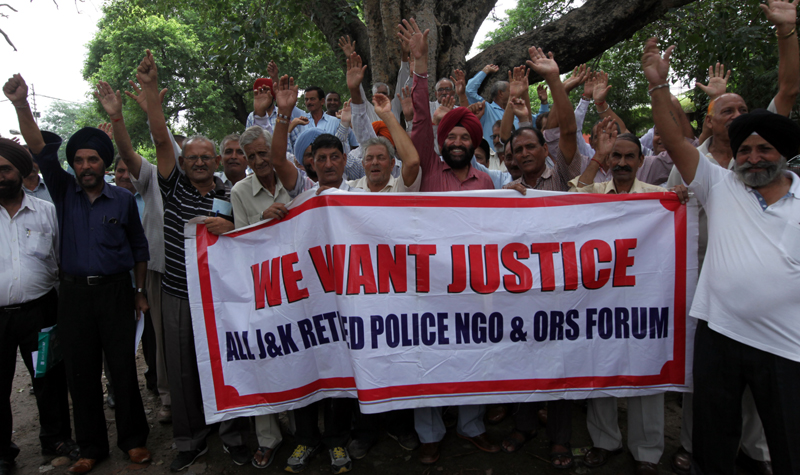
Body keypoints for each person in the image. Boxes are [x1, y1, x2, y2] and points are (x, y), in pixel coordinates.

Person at [644, 32, 800, 475]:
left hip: (788, 348)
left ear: (783, 155)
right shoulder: (720, 185)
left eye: (764, 149)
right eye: (745, 150)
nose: (752, 158)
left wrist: (787, 30)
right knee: (712, 444)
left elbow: (788, 89)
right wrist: (657, 86)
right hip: (721, 338)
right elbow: (675, 142)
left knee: (788, 443)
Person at [5, 73, 151, 475]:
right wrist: (21, 103)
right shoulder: (63, 190)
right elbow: (37, 146)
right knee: (80, 373)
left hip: (117, 294)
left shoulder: (122, 199)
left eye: (93, 159)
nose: (86, 166)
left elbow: (139, 249)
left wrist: (139, 290)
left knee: (122, 370)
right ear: (72, 164)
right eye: (80, 160)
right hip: (72, 298)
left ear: (104, 163)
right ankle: (90, 447)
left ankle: (134, 442)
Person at [135, 50, 250, 471]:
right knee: (182, 371)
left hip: (222, 297)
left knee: (227, 364)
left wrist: (231, 229)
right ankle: (190, 440)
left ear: (217, 162)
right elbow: (162, 139)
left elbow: (250, 239)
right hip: (179, 295)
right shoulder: (173, 188)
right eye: (192, 158)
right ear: (184, 164)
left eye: (206, 157)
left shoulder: (232, 195)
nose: (199, 162)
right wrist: (152, 94)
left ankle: (235, 434)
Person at [397, 18, 498, 464]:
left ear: (475, 144)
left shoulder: (489, 180)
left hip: (474, 288)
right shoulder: (429, 173)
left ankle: (472, 425)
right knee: (428, 355)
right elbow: (420, 121)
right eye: (451, 136)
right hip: (429, 287)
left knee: (473, 353)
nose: (457, 140)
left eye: (465, 136)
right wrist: (419, 65)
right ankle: (430, 433)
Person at [569, 123, 670, 475]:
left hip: (644, 301)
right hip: (600, 300)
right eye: (617, 156)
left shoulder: (659, 197)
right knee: (602, 366)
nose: (623, 162)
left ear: (641, 161)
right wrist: (597, 156)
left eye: (629, 156)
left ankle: (647, 452)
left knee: (647, 368)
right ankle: (604, 442)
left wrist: (679, 201)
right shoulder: (594, 189)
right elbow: (570, 198)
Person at [269, 74, 356, 474]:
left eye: (333, 157)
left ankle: (337, 442)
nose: (326, 163)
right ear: (311, 164)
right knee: (306, 364)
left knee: (339, 367)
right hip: (306, 298)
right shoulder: (302, 190)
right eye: (319, 159)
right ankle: (306, 439)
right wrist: (284, 116)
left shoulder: (360, 194)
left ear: (343, 160)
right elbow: (276, 161)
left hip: (349, 298)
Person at [95, 80, 172, 424]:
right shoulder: (152, 178)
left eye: (202, 157)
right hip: (158, 272)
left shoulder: (208, 185)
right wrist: (118, 120)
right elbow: (130, 154)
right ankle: (169, 398)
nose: (191, 160)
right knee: (161, 343)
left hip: (199, 274)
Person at [0, 138, 76, 475]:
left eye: (5, 169)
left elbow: (61, 261)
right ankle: (3, 452)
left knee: (47, 377)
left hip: (42, 309)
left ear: (22, 171)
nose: (0, 176)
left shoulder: (47, 212)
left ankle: (56, 439)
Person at [466, 63, 549, 152]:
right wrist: (485, 70)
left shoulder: (518, 111)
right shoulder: (486, 109)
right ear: (501, 93)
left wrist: (544, 102)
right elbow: (469, 90)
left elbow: (540, 122)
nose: (516, 92)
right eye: (512, 89)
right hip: (493, 161)